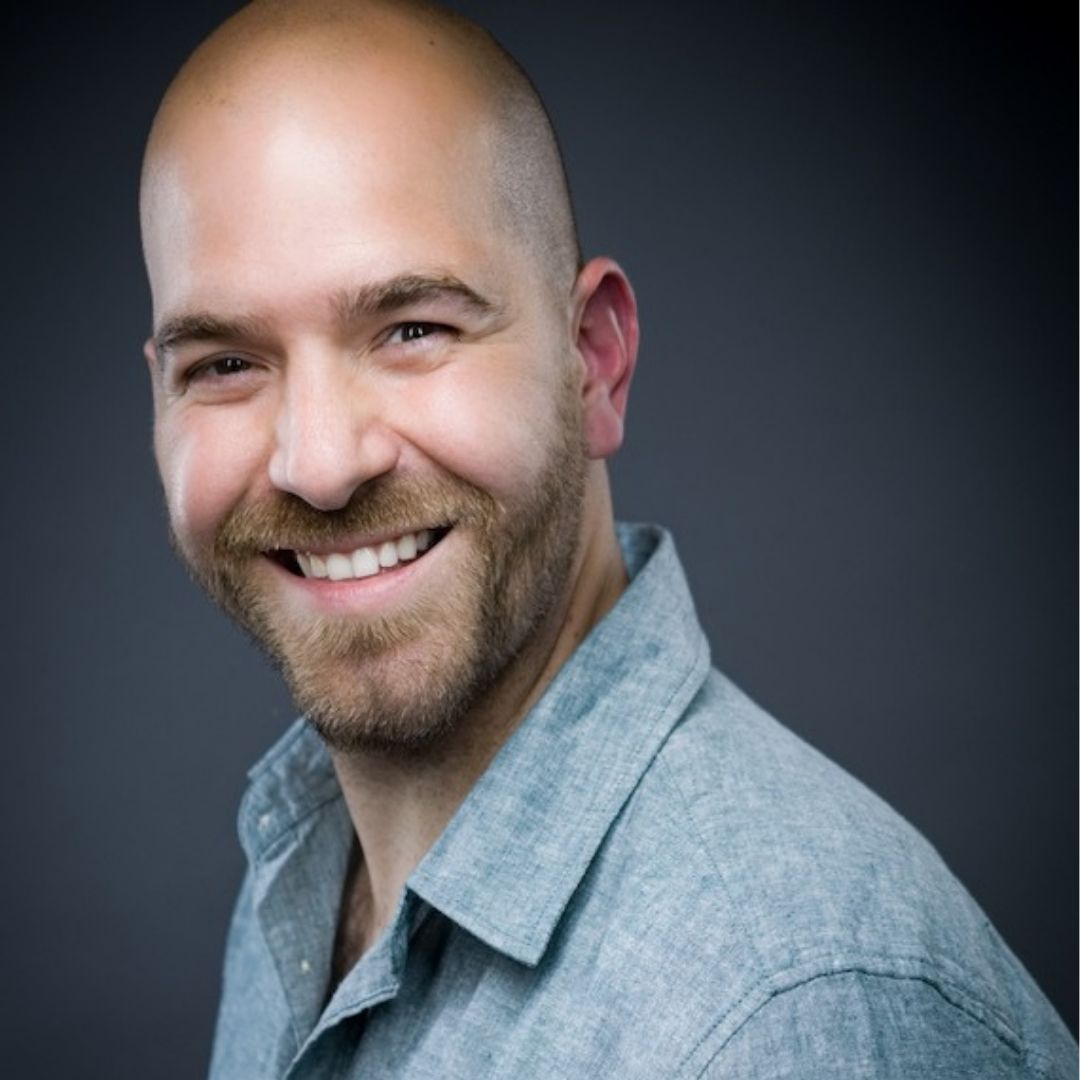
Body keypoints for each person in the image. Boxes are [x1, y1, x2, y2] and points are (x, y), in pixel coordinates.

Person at [138, 1, 1075, 1076]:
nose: (318, 463)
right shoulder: (302, 874)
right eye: (225, 364)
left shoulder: (789, 1015)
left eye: (412, 330)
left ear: (594, 360)